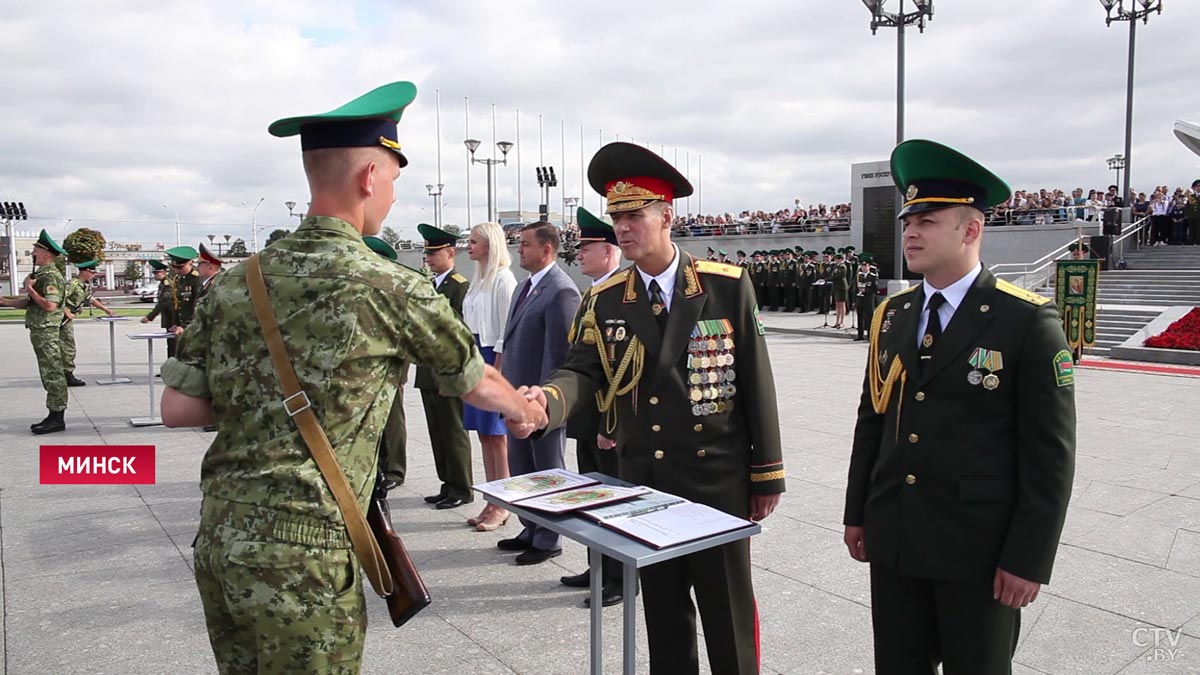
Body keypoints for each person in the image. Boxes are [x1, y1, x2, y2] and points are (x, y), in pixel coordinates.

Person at [159, 81, 545, 675]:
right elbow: (474, 381)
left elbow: (178, 409)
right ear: (369, 176)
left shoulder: (236, 282)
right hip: (307, 544)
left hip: (221, 532)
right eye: (393, 179)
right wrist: (525, 411)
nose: (390, 195)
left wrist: (260, 398)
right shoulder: (389, 285)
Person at [515, 142, 784, 674]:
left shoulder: (724, 286)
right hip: (646, 479)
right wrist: (546, 400)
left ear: (667, 216)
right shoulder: (608, 298)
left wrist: (766, 474)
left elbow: (756, 380)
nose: (622, 227)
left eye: (634, 214)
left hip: (715, 477)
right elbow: (584, 370)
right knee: (662, 612)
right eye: (616, 216)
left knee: (725, 610)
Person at [843, 139, 1076, 675]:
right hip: (897, 538)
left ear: (971, 230)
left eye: (927, 220)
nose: (910, 233)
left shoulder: (1026, 322)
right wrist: (858, 512)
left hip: (979, 551)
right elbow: (872, 422)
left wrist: (1028, 558)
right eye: (908, 221)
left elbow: (1050, 455)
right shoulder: (894, 315)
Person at [496, 221, 580, 565]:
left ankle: (548, 538)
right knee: (522, 467)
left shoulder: (562, 291)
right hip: (517, 398)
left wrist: (544, 406)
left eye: (526, 244)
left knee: (546, 469)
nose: (520, 249)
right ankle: (530, 526)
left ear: (547, 249)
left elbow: (559, 358)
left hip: (540, 404)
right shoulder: (523, 288)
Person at [559, 206, 626, 606]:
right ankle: (597, 566)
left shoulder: (621, 295)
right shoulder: (594, 293)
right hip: (589, 419)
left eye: (587, 247)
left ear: (609, 250)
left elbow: (624, 367)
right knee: (591, 496)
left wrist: (611, 425)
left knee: (614, 500)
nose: (580, 254)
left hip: (609, 421)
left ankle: (620, 578)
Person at [461, 221, 520, 531]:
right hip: (476, 358)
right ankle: (491, 497)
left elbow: (506, 330)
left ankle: (504, 503)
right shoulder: (478, 279)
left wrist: (496, 371)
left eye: (474, 241)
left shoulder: (502, 279)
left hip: (494, 360)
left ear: (490, 245)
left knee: (497, 437)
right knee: (484, 435)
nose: (468, 245)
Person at [414, 223, 476, 510]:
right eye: (427, 254)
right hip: (428, 371)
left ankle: (462, 487)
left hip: (447, 373)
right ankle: (446, 483)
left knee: (453, 430)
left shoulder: (459, 286)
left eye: (434, 254)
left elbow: (459, 333)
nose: (428, 259)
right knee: (436, 432)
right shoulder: (430, 285)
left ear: (450, 253)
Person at [0, 230, 69, 434]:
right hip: (40, 331)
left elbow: (49, 306)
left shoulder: (51, 276)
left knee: (53, 373)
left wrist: (29, 288)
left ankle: (57, 417)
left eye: (36, 250)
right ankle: (53, 414)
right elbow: (31, 304)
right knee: (48, 373)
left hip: (47, 331)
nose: (33, 253)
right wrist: (4, 301)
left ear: (47, 254)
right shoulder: (41, 275)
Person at [363, 235, 412, 490]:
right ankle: (379, 466)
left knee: (392, 420)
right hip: (368, 369)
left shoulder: (394, 293)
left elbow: (404, 335)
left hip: (391, 367)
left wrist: (401, 375)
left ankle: (394, 470)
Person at [60, 259, 117, 386]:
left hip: (67, 320)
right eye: (92, 273)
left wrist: (106, 309)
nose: (94, 275)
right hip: (61, 319)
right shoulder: (72, 284)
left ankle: (66, 374)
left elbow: (90, 299)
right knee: (68, 347)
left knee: (68, 347)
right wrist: (66, 312)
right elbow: (59, 298)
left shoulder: (83, 285)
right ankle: (67, 375)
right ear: (85, 272)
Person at [163, 245, 201, 358]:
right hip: (181, 327)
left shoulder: (196, 279)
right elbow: (176, 304)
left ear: (190, 263)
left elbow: (197, 306)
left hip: (193, 326)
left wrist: (185, 326)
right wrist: (175, 324)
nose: (177, 271)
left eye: (180, 268)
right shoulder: (178, 280)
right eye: (175, 267)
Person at [854, 253, 879, 341]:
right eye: (862, 266)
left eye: (866, 266)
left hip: (868, 298)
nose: (864, 267)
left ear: (869, 267)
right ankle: (860, 335)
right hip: (860, 298)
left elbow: (875, 289)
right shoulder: (859, 275)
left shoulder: (872, 277)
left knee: (869, 316)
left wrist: (866, 291)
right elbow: (855, 286)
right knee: (860, 316)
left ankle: (869, 335)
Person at [141, 259, 172, 329]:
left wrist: (149, 317)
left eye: (156, 273)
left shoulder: (168, 284)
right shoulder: (162, 284)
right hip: (168, 317)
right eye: (154, 273)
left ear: (163, 272)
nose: (155, 275)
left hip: (172, 317)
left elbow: (163, 302)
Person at [831, 251, 848, 328]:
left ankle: (842, 321)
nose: (836, 260)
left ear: (841, 259)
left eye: (838, 259)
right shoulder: (835, 266)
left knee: (842, 304)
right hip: (836, 286)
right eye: (835, 259)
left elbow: (839, 276)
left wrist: (827, 279)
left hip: (842, 287)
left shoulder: (843, 266)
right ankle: (837, 321)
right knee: (837, 304)